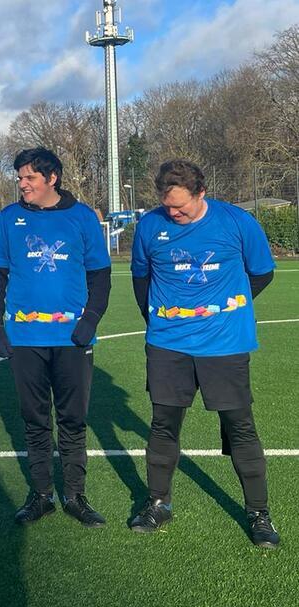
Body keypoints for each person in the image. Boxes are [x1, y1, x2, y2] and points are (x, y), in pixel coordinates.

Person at [129, 159, 278, 548]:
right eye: (167, 206)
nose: (173, 213)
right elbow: (141, 279)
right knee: (163, 424)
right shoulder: (150, 225)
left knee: (240, 424)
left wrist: (223, 310)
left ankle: (259, 514)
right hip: (167, 345)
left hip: (225, 344)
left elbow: (261, 273)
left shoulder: (237, 222)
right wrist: (163, 322)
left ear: (201, 194)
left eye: (181, 207)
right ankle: (158, 503)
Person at [0, 147, 112, 527]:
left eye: (29, 178)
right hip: (25, 338)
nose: (22, 184)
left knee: (72, 418)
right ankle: (41, 494)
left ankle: (75, 495)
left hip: (72, 338)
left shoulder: (83, 218)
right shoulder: (9, 219)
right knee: (34, 419)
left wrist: (89, 321)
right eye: (20, 178)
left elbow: (100, 276)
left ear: (52, 178)